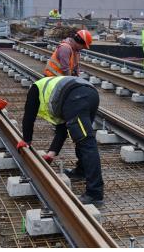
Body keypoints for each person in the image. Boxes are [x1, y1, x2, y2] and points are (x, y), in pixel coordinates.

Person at [18, 76, 104, 205]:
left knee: (86, 142)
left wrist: (26, 140)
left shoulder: (35, 90)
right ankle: (81, 171)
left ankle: (95, 193)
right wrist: (52, 153)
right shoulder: (56, 94)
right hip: (90, 93)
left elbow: (28, 117)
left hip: (76, 97)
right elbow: (62, 128)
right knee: (81, 136)